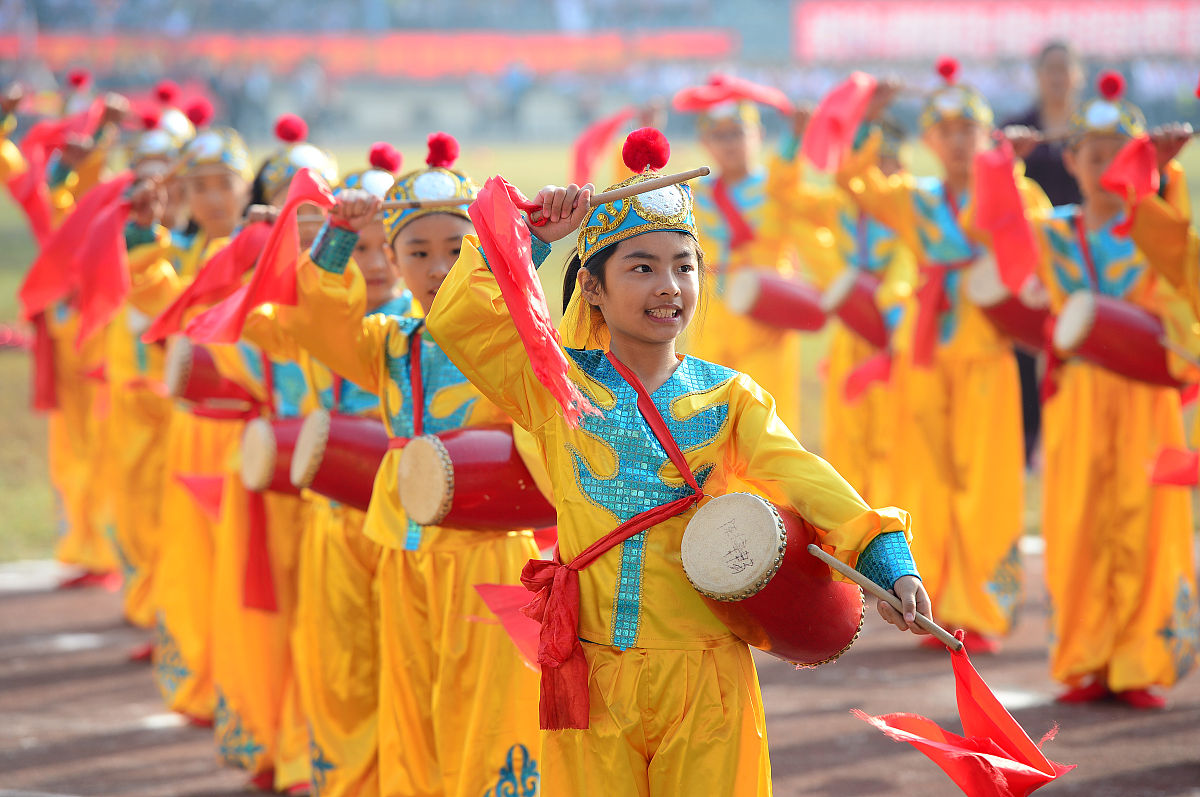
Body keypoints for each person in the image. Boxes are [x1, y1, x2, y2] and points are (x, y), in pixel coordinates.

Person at [424, 128, 929, 795]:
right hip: (591, 676)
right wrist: (534, 237)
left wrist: (886, 561)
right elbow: (460, 317)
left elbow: (806, 479)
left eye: (683, 266)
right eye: (642, 267)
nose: (668, 286)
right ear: (595, 291)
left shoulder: (729, 397)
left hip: (706, 678)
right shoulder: (553, 384)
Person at [276, 133, 542, 797]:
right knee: (410, 698)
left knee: (486, 700)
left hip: (486, 548)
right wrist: (338, 236)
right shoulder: (387, 340)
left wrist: (536, 242)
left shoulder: (509, 331)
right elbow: (318, 322)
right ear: (393, 261)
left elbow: (538, 314)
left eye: (456, 248)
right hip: (404, 547)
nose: (437, 265)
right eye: (418, 252)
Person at [837, 63, 1038, 652]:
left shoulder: (1015, 191)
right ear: (928, 139)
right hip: (924, 357)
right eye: (943, 130)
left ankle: (981, 609)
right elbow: (853, 179)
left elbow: (1030, 252)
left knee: (985, 483)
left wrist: (1009, 169)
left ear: (984, 134)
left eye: (966, 128)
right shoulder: (916, 200)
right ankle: (938, 606)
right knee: (926, 481)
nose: (954, 141)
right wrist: (872, 115)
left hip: (983, 355)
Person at [1020, 74, 1199, 709]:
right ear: (1071, 162)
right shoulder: (1053, 234)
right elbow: (998, 235)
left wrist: (1165, 182)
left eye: (1117, 156)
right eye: (1091, 156)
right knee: (1079, 522)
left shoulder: (1152, 231)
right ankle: (1087, 658)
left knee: (1145, 523)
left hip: (1142, 400)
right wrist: (1004, 166)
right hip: (1078, 398)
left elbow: (1189, 277)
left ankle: (1140, 662)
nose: (1102, 168)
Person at [286, 142, 411, 797]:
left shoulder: (419, 327)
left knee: (406, 663)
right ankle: (349, 782)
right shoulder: (321, 321)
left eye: (390, 247)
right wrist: (311, 238)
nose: (378, 265)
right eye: (358, 249)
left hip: (400, 524)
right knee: (340, 662)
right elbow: (270, 314)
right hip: (334, 517)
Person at [676, 78, 823, 434]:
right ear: (706, 142)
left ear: (757, 136)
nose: (730, 144)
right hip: (712, 315)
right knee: (711, 418)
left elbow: (787, 176)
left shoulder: (775, 187)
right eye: (720, 136)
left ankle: (771, 492)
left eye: (738, 133)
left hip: (765, 314)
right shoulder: (695, 193)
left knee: (767, 417)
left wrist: (794, 140)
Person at [1003, 40, 1087, 467]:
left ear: (1078, 76)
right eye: (1049, 69)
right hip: (1032, 258)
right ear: (1037, 76)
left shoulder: (1090, 130)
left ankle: (1069, 436)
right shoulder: (1021, 131)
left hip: (1081, 258)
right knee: (1025, 346)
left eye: (1064, 69)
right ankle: (1028, 437)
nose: (1057, 78)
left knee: (1075, 343)